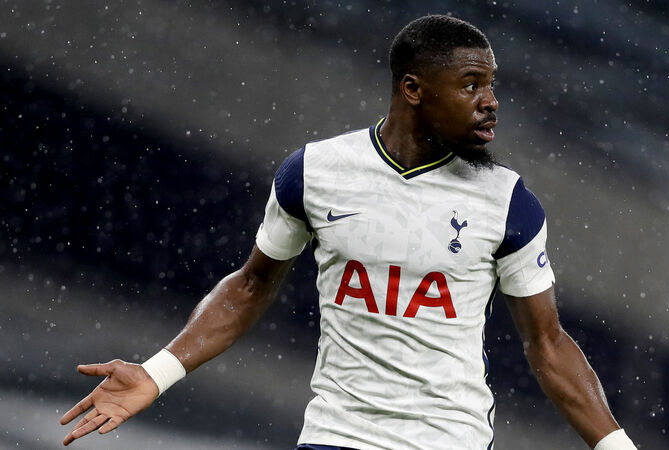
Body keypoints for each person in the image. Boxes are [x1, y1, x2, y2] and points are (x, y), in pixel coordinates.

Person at [60, 15, 637, 450]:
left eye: (491, 85)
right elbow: (251, 286)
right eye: (471, 85)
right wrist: (157, 373)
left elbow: (547, 344)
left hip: (448, 438)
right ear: (413, 89)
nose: (490, 102)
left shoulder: (507, 202)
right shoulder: (315, 173)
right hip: (336, 435)